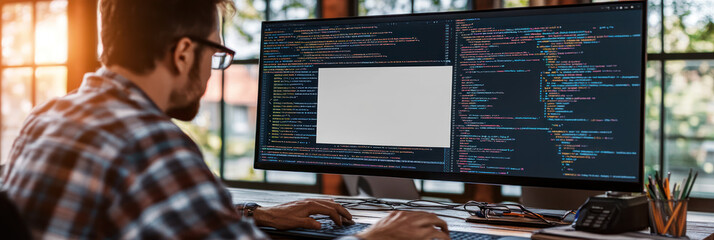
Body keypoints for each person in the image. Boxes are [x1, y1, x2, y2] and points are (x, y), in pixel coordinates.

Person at [0, 0, 451, 239]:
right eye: (216, 53)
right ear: (182, 52)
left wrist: (256, 214)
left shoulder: (49, 115)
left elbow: (137, 211)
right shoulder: (150, 143)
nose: (216, 68)